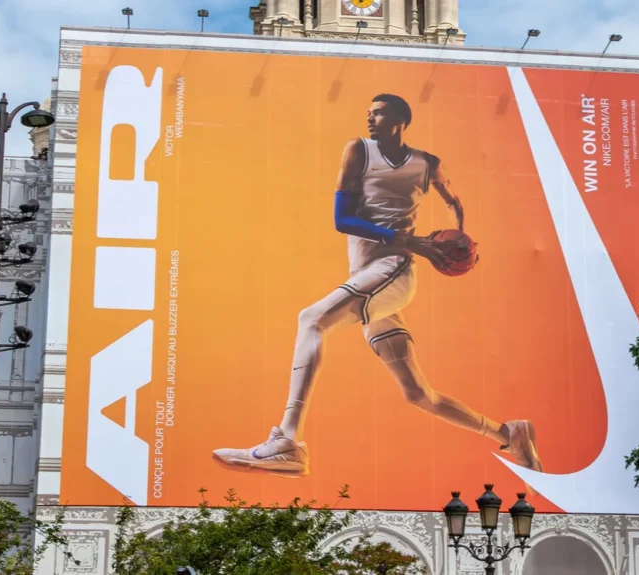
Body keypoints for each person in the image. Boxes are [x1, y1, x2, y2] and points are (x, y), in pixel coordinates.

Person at [212, 94, 543, 475]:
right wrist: (412, 240)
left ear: (401, 120)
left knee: (312, 319)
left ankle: (288, 439)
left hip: (393, 271)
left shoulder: (427, 163)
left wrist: (461, 242)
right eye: (368, 113)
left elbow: (455, 201)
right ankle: (509, 433)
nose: (370, 118)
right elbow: (343, 219)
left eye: (379, 113)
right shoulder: (359, 150)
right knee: (418, 394)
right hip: (374, 275)